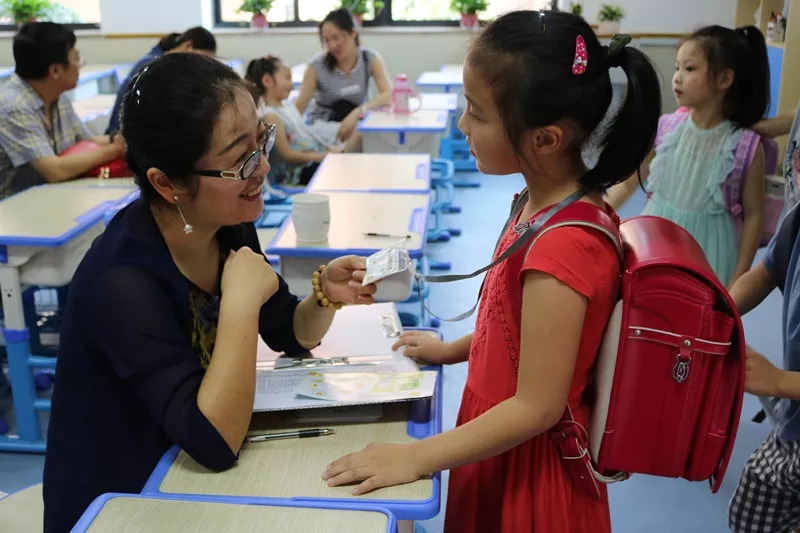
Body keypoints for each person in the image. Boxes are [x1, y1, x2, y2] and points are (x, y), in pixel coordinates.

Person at [321, 10, 661, 532]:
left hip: (529, 470)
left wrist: (417, 457)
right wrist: (457, 349)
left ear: (545, 139)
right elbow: (525, 331)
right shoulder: (542, 204)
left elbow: (537, 407)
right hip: (497, 439)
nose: (463, 126)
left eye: (476, 114)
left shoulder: (564, 247)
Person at [42, 53, 377, 532]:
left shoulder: (225, 221)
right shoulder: (120, 280)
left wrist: (324, 297)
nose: (262, 166)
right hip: (121, 501)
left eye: (260, 138)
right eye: (240, 158)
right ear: (166, 182)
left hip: (186, 477)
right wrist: (239, 302)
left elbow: (284, 327)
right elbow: (214, 441)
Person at [607, 25, 771, 288]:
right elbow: (629, 182)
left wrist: (739, 278)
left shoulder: (744, 146)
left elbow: (754, 216)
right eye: (676, 67)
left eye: (690, 68)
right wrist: (600, 213)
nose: (677, 77)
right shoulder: (666, 129)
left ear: (724, 80)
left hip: (711, 254)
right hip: (656, 239)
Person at [727, 197, 800, 532]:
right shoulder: (798, 218)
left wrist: (779, 382)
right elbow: (765, 273)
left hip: (789, 393)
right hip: (793, 426)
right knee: (750, 513)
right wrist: (720, 312)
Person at [0, 22, 125, 198]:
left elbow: (87, 141)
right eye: (76, 59)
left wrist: (123, 140)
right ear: (56, 71)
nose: (81, 65)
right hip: (13, 208)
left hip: (52, 196)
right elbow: (54, 170)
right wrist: (114, 150)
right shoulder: (12, 107)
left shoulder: (57, 95)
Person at [245, 55, 355, 186]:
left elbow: (305, 135)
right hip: (296, 174)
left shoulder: (288, 107)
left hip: (309, 163)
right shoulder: (271, 116)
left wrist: (328, 150)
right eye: (287, 78)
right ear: (267, 81)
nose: (291, 84)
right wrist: (323, 156)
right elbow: (288, 156)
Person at [295, 8, 392, 147]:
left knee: (366, 131)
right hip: (323, 125)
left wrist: (358, 112)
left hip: (355, 121)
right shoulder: (315, 67)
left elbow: (388, 93)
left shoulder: (369, 58)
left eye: (336, 37)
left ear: (353, 33)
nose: (332, 45)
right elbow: (299, 107)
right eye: (326, 40)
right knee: (356, 133)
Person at [106, 27, 216, 134]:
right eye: (202, 58)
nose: (201, 64)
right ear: (188, 46)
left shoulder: (164, 60)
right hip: (121, 135)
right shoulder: (154, 64)